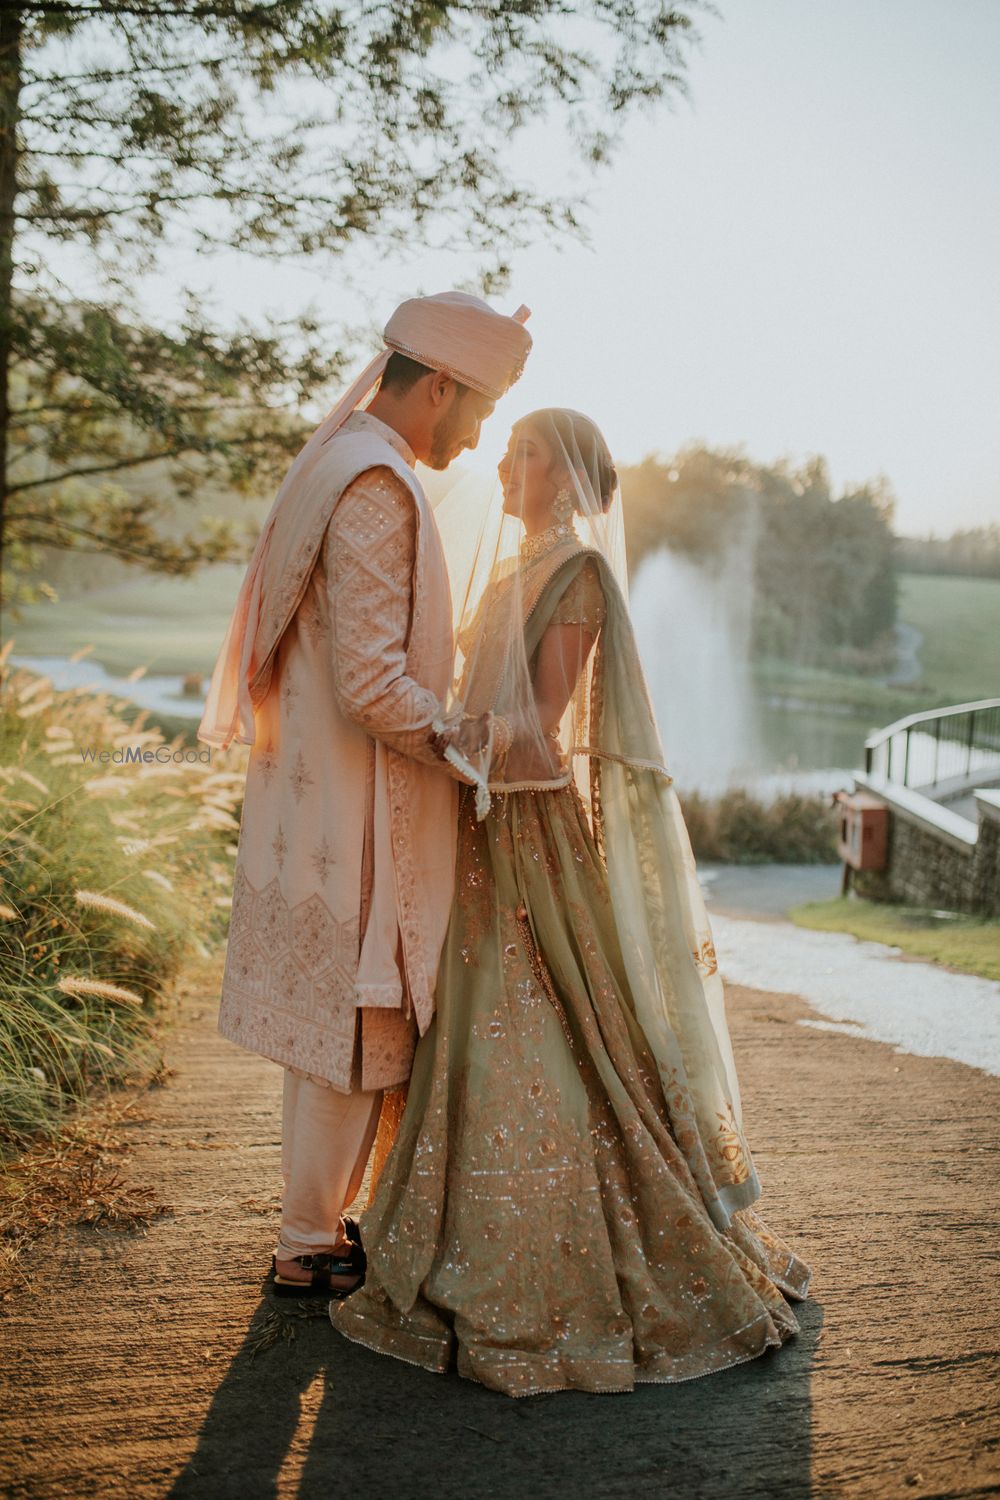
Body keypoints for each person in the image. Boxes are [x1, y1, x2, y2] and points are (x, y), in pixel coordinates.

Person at [330, 408, 811, 1393]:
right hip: (476, 822)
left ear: (572, 476)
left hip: (529, 835)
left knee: (549, 1030)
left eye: (527, 452)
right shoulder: (505, 571)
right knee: (468, 1026)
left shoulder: (575, 575)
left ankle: (577, 1245)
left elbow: (543, 738)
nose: (505, 463)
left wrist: (448, 735)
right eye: (506, 448)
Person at [196, 292, 532, 1295]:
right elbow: (374, 685)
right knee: (355, 1034)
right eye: (475, 412)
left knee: (331, 1037)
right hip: (356, 807)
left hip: (312, 800)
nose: (475, 440)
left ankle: (315, 1228)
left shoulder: (334, 458)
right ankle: (308, 1243)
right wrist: (481, 742)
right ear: (436, 384)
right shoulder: (378, 486)